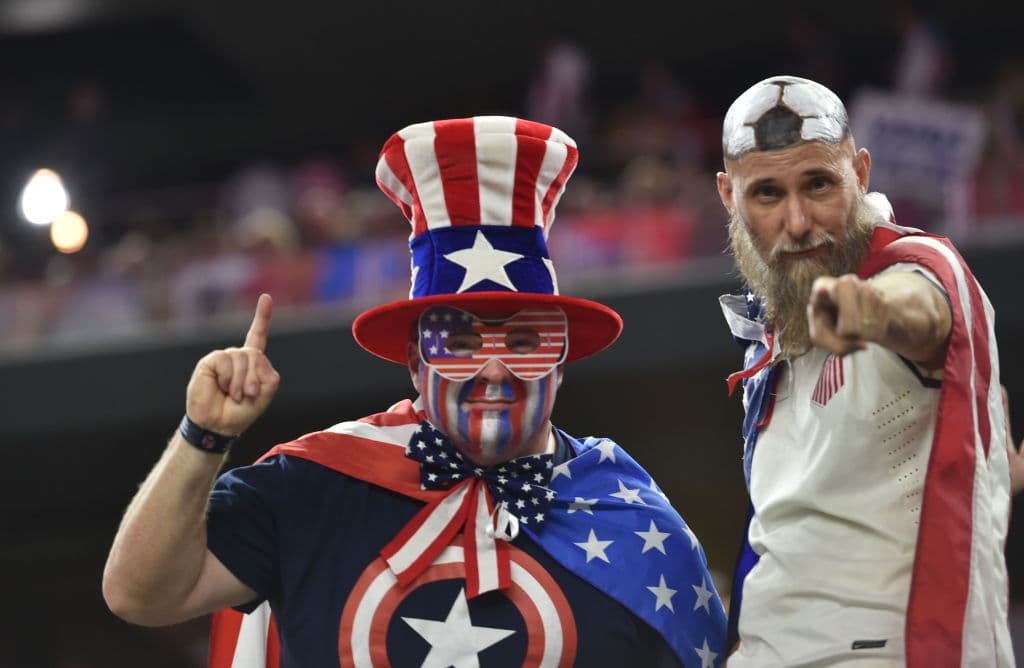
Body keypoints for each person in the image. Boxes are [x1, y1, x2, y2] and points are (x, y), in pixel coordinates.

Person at [103, 116, 728, 667]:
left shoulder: (628, 516)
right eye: (457, 343)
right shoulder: (314, 485)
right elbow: (139, 593)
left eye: (522, 341)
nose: (491, 371)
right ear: (411, 360)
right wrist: (202, 438)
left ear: (562, 359)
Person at [714, 75, 1015, 666]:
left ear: (862, 172)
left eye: (819, 183)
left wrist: (870, 310)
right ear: (729, 196)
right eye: (767, 194)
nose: (798, 221)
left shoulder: (919, 267)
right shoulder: (775, 335)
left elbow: (926, 311)